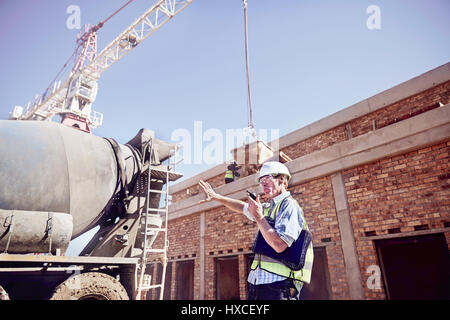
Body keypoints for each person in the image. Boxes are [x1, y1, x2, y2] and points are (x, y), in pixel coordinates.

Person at [199, 161, 313, 300]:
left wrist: (259, 217)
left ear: (282, 180)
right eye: (261, 180)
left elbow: (279, 245)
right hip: (259, 284)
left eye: (268, 179)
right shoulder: (268, 207)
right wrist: (216, 197)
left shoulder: (289, 206)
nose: (263, 184)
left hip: (280, 285)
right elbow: (242, 207)